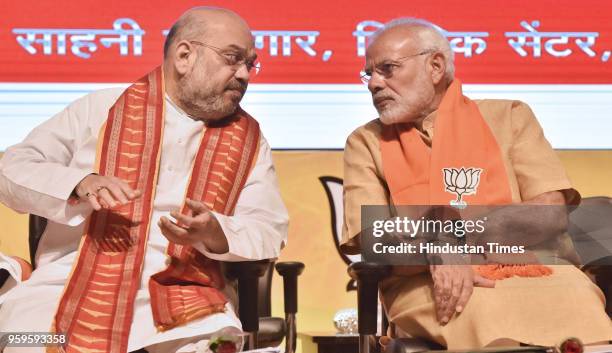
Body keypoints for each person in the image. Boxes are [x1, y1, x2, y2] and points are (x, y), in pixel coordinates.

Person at [0, 7, 288, 353]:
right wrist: (78, 182)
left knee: (216, 345)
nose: (244, 74)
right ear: (184, 56)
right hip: (67, 287)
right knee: (22, 342)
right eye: (233, 58)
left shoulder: (249, 141)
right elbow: (11, 168)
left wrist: (216, 232)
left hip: (189, 306)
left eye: (250, 64)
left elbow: (269, 230)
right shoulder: (99, 109)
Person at [341, 17, 612, 349]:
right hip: (430, 284)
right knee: (482, 315)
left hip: (542, 273)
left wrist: (450, 237)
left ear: (436, 67)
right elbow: (375, 240)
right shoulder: (365, 142)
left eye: (387, 69)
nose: (373, 84)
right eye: (370, 74)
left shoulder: (510, 116)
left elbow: (549, 214)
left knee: (583, 308)